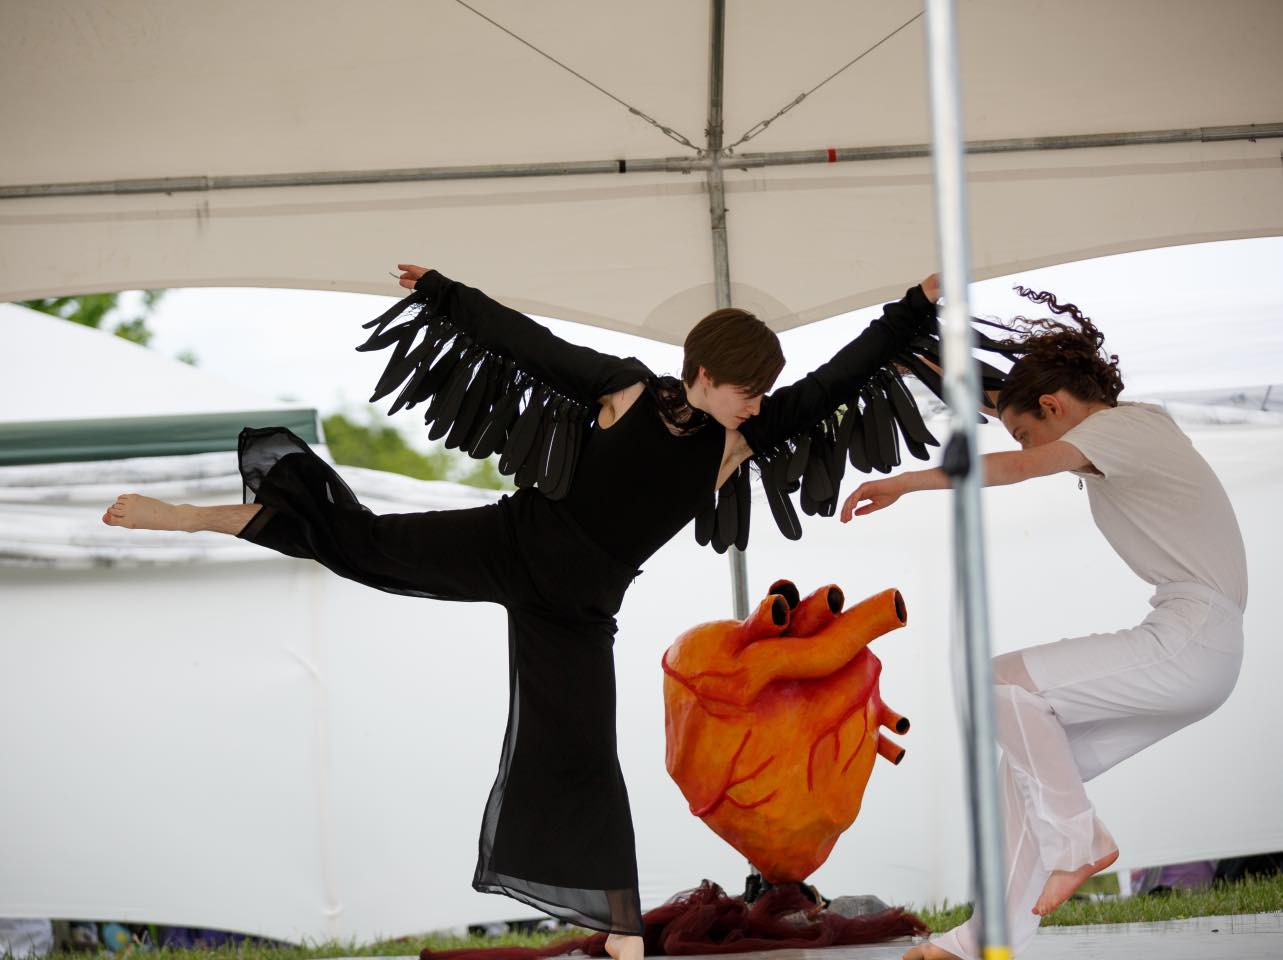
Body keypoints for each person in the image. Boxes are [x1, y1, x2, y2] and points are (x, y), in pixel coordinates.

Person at [102, 265, 947, 960]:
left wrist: (912, 309)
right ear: (702, 372)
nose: (758, 404)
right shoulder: (627, 391)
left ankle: (620, 930)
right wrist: (445, 295)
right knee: (364, 547)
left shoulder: (740, 440)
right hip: (513, 543)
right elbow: (530, 343)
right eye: (746, 391)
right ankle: (196, 517)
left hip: (577, 611)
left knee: (584, 755)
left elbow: (840, 377)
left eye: (763, 394)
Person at [839, 289, 1247, 960]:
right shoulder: (1125, 426)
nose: (1022, 441)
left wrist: (904, 484)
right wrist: (912, 357)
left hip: (1191, 636)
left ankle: (1079, 844)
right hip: (1202, 651)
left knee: (994, 683)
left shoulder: (1118, 431)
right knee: (1028, 768)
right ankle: (985, 938)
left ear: (1055, 406)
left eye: (1025, 429)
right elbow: (1003, 403)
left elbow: (1020, 465)